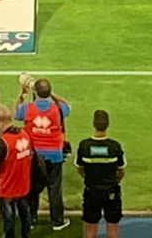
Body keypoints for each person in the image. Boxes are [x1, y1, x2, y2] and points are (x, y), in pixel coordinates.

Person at [23, 78, 72, 231]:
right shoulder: (57, 109)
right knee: (54, 188)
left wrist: (21, 93)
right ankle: (57, 221)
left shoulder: (28, 108)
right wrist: (53, 95)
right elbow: (68, 106)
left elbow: (16, 112)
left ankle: (30, 219)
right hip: (54, 156)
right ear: (49, 92)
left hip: (34, 156)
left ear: (35, 92)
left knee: (32, 188)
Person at [74, 109, 126, 238]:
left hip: (91, 192)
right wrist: (114, 181)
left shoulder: (84, 146)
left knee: (90, 230)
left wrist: (89, 177)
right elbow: (121, 171)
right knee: (113, 229)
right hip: (111, 192)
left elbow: (80, 168)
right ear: (108, 124)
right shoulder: (115, 146)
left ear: (93, 124)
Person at [0, 110, 35, 238]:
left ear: (0, 123)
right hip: (24, 185)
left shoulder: (3, 142)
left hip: (7, 187)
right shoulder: (25, 134)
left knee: (8, 220)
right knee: (25, 215)